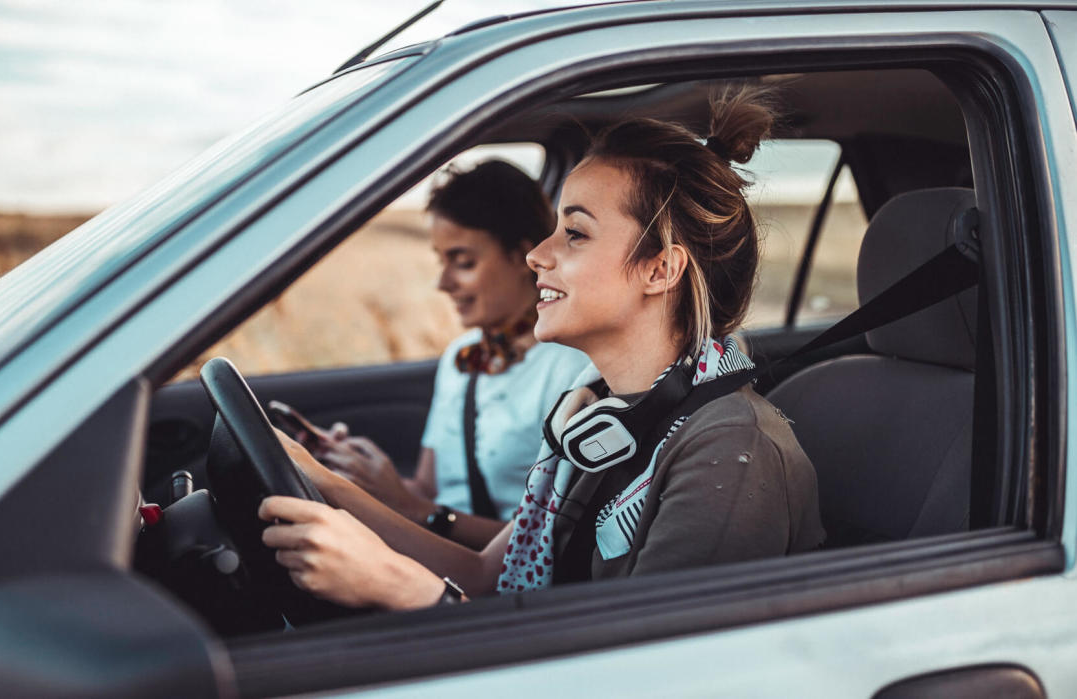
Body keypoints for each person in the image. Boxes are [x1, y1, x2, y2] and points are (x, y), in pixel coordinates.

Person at [259, 85, 825, 609]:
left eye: (574, 233)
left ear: (660, 269)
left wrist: (400, 587)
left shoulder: (730, 447)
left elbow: (640, 674)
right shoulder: (597, 417)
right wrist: (322, 479)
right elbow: (483, 577)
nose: (538, 255)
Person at [311, 160, 589, 550]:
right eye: (442, 261)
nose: (443, 284)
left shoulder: (572, 367)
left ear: (523, 255)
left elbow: (553, 542)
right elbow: (427, 487)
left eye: (463, 262)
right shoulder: (462, 355)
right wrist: (358, 474)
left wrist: (414, 508)